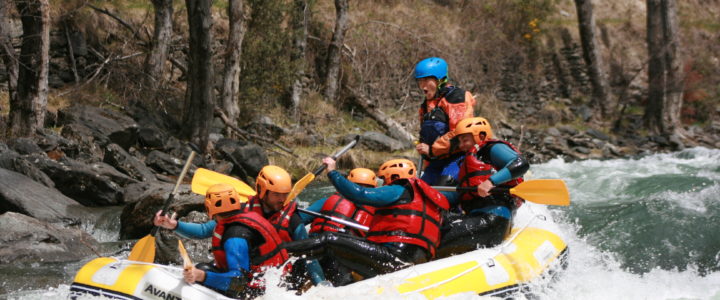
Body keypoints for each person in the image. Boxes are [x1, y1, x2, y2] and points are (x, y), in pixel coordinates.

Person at [283, 158, 449, 280]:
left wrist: (333, 172)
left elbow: (360, 194)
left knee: (329, 240)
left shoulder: (398, 190)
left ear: (394, 176)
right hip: (416, 261)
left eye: (384, 179)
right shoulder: (430, 200)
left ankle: (280, 252)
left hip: (393, 258)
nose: (384, 184)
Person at [153, 183, 289, 298]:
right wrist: (172, 224)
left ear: (208, 207)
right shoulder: (237, 216)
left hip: (257, 293)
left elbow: (239, 282)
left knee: (203, 270)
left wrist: (201, 276)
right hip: (272, 283)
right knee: (208, 267)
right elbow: (202, 230)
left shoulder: (235, 237)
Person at [435, 117, 529, 258]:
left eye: (464, 140)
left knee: (434, 238)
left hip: (494, 219)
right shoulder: (469, 161)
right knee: (432, 226)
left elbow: (520, 163)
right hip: (475, 216)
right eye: (459, 141)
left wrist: (491, 182)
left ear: (481, 136)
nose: (461, 146)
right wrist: (430, 194)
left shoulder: (491, 148)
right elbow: (458, 194)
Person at [241, 165, 328, 287]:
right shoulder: (244, 210)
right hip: (250, 273)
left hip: (280, 280)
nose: (282, 199)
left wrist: (322, 287)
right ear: (262, 191)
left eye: (285, 194)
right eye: (277, 194)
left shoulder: (292, 219)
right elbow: (214, 227)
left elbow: (309, 256)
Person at [298, 168, 377, 286]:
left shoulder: (327, 201)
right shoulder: (376, 211)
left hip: (314, 249)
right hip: (341, 261)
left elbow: (298, 219)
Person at [414, 57, 476, 185]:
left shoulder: (456, 97)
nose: (422, 86)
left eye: (426, 80)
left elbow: (460, 132)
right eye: (420, 81)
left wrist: (432, 150)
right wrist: (428, 157)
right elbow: (426, 139)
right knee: (421, 190)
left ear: (440, 80)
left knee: (444, 186)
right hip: (437, 160)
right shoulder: (426, 106)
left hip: (459, 157)